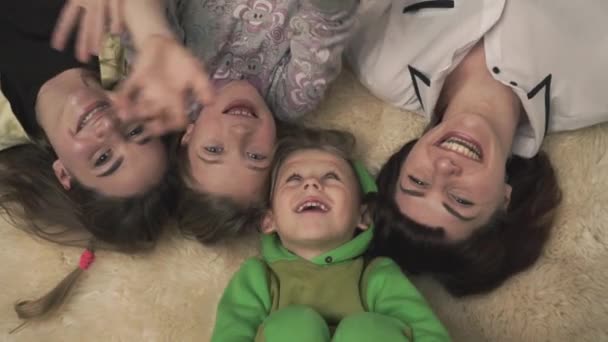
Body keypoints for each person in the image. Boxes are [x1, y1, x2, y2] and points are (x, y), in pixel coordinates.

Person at [345, 0, 608, 295]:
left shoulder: (381, 63)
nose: (444, 168)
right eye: (460, 200)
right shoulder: (595, 91)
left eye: (417, 181)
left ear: (405, 160)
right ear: (505, 199)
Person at [54, 0, 359, 243]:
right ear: (277, 146)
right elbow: (330, 20)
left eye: (213, 150)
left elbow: (132, 18)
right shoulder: (292, 95)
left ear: (188, 135)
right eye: (255, 156)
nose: (239, 133)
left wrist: (152, 37)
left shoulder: (174, 87)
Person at [0, 0, 176, 325]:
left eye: (104, 157)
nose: (109, 127)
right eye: (135, 130)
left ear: (63, 174)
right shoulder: (115, 48)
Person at [210, 128, 450, 341]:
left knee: (367, 331)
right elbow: (230, 334)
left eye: (331, 177)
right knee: (293, 327)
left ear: (363, 216)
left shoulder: (376, 275)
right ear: (268, 219)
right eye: (294, 179)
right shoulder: (258, 278)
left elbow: (425, 330)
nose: (312, 184)